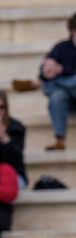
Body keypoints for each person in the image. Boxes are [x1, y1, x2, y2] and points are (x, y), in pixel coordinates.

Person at [40, 12, 76, 150]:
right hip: (69, 99)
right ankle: (60, 139)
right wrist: (46, 72)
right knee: (56, 96)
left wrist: (61, 70)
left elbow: (63, 70)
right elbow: (45, 68)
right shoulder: (61, 48)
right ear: (73, 30)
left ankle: (41, 85)